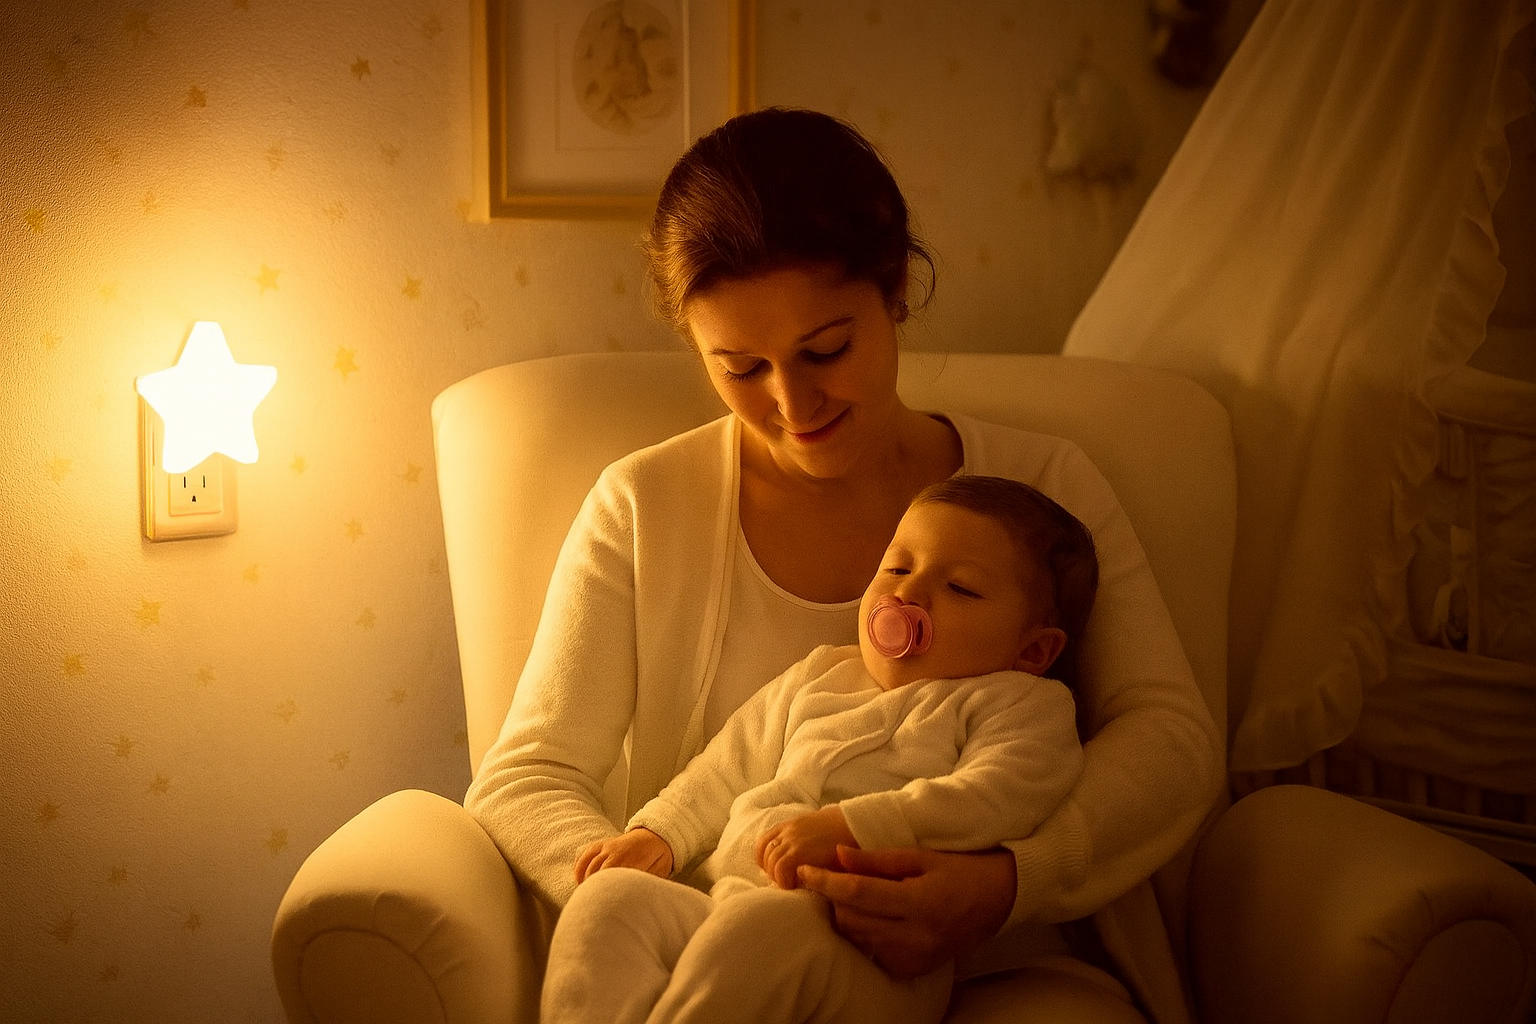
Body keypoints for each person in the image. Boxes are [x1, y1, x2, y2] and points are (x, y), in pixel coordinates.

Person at [464, 107, 1222, 1023]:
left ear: (893, 291)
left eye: (826, 350)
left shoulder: (1044, 486)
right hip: (727, 947)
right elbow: (528, 774)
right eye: (741, 369)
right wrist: (637, 876)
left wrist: (1004, 882)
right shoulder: (641, 509)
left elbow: (1171, 740)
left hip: (1005, 969)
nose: (793, 404)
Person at [540, 475, 1098, 1024]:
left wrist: (853, 827)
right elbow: (727, 767)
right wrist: (660, 834)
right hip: (724, 900)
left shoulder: (1018, 703)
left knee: (761, 930)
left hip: (872, 951)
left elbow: (994, 797)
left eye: (961, 588)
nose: (907, 594)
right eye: (897, 568)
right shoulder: (821, 675)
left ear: (1033, 651)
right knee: (609, 901)